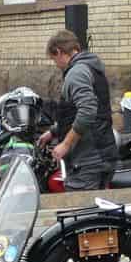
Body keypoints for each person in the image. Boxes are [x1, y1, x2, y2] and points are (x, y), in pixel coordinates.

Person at [41, 30, 118, 191]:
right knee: (96, 204)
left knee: (80, 205)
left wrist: (65, 144)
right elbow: (79, 112)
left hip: (87, 159)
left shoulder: (76, 72)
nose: (56, 65)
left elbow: (87, 111)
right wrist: (54, 131)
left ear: (59, 52)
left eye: (54, 60)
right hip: (102, 152)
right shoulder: (92, 67)